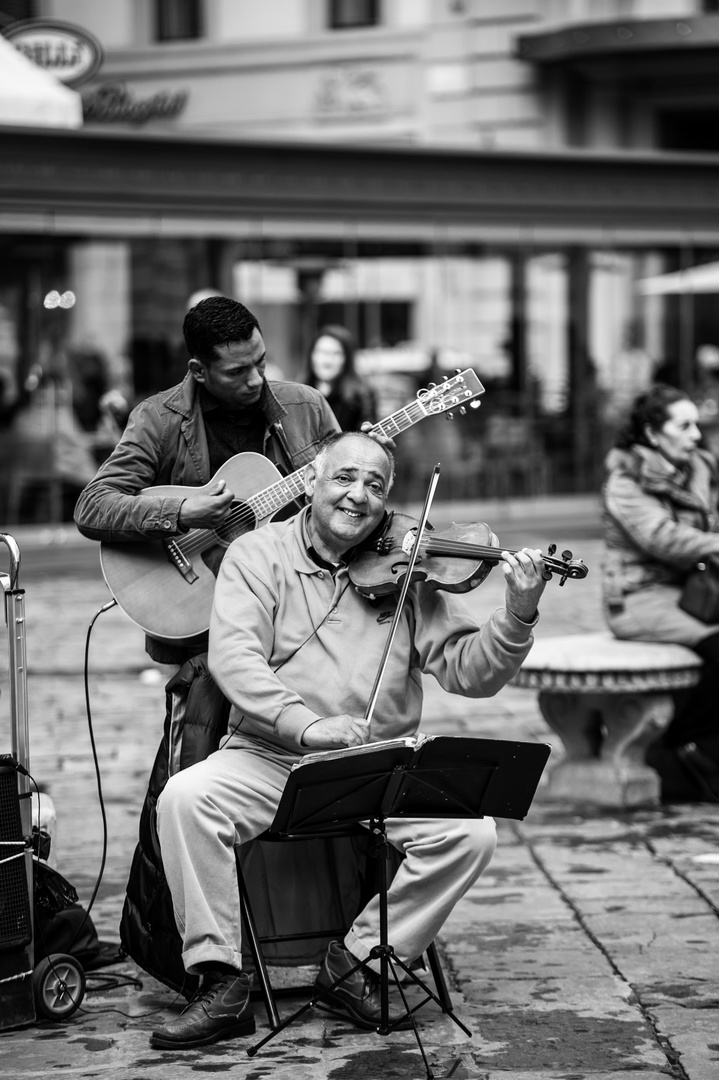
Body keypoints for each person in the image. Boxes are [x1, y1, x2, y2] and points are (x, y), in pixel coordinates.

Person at [149, 430, 548, 1050]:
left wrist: (517, 617)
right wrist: (304, 725)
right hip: (272, 756)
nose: (358, 496)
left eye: (375, 485)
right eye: (344, 478)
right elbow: (235, 658)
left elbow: (472, 672)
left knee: (472, 834)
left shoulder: (409, 569)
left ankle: (357, 962)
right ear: (311, 481)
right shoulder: (258, 554)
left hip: (379, 765)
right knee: (185, 799)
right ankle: (222, 981)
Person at [73, 296, 344, 665]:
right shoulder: (158, 419)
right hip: (203, 622)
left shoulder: (307, 406)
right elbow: (93, 507)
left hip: (297, 608)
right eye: (236, 372)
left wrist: (371, 466)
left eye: (260, 362)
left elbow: (344, 497)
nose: (255, 379)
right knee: (203, 723)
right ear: (199, 371)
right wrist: (183, 512)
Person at [601, 383, 719, 802]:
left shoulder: (700, 466)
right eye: (683, 426)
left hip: (695, 590)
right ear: (653, 434)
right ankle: (680, 748)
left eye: (696, 424)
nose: (695, 435)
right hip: (639, 598)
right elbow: (663, 538)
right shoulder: (625, 482)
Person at [303, 324, 377, 432]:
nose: (327, 361)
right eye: (322, 352)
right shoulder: (298, 395)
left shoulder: (362, 397)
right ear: (311, 355)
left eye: (336, 354)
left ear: (347, 359)